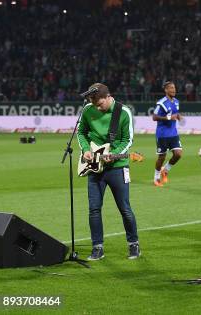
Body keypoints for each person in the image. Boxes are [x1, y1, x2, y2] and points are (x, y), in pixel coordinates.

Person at [77, 83, 140, 260]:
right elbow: (81, 133)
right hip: (95, 167)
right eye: (94, 104)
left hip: (117, 167)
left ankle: (133, 244)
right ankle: (97, 247)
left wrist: (113, 154)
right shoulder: (88, 110)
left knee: (124, 208)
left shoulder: (123, 112)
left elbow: (128, 140)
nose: (97, 107)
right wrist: (85, 150)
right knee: (94, 209)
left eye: (100, 104)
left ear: (108, 96)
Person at [152, 81, 183, 187]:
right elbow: (154, 117)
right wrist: (168, 118)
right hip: (162, 134)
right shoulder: (161, 103)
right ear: (166, 90)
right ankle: (156, 178)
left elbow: (175, 112)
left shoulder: (176, 101)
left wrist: (179, 116)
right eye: (171, 88)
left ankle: (165, 170)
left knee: (178, 154)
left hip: (173, 133)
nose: (174, 90)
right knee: (162, 157)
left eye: (174, 88)